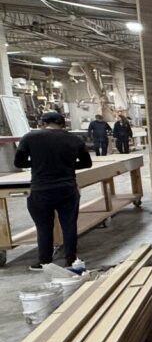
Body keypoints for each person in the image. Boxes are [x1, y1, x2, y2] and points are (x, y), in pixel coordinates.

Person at [14, 111, 93, 270]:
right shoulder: (74, 139)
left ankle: (44, 261)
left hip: (41, 189)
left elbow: (18, 162)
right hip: (67, 189)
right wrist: (67, 165)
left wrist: (38, 164)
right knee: (69, 225)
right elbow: (87, 163)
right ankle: (71, 259)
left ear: (42, 123)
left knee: (43, 226)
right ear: (63, 124)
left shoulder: (30, 138)